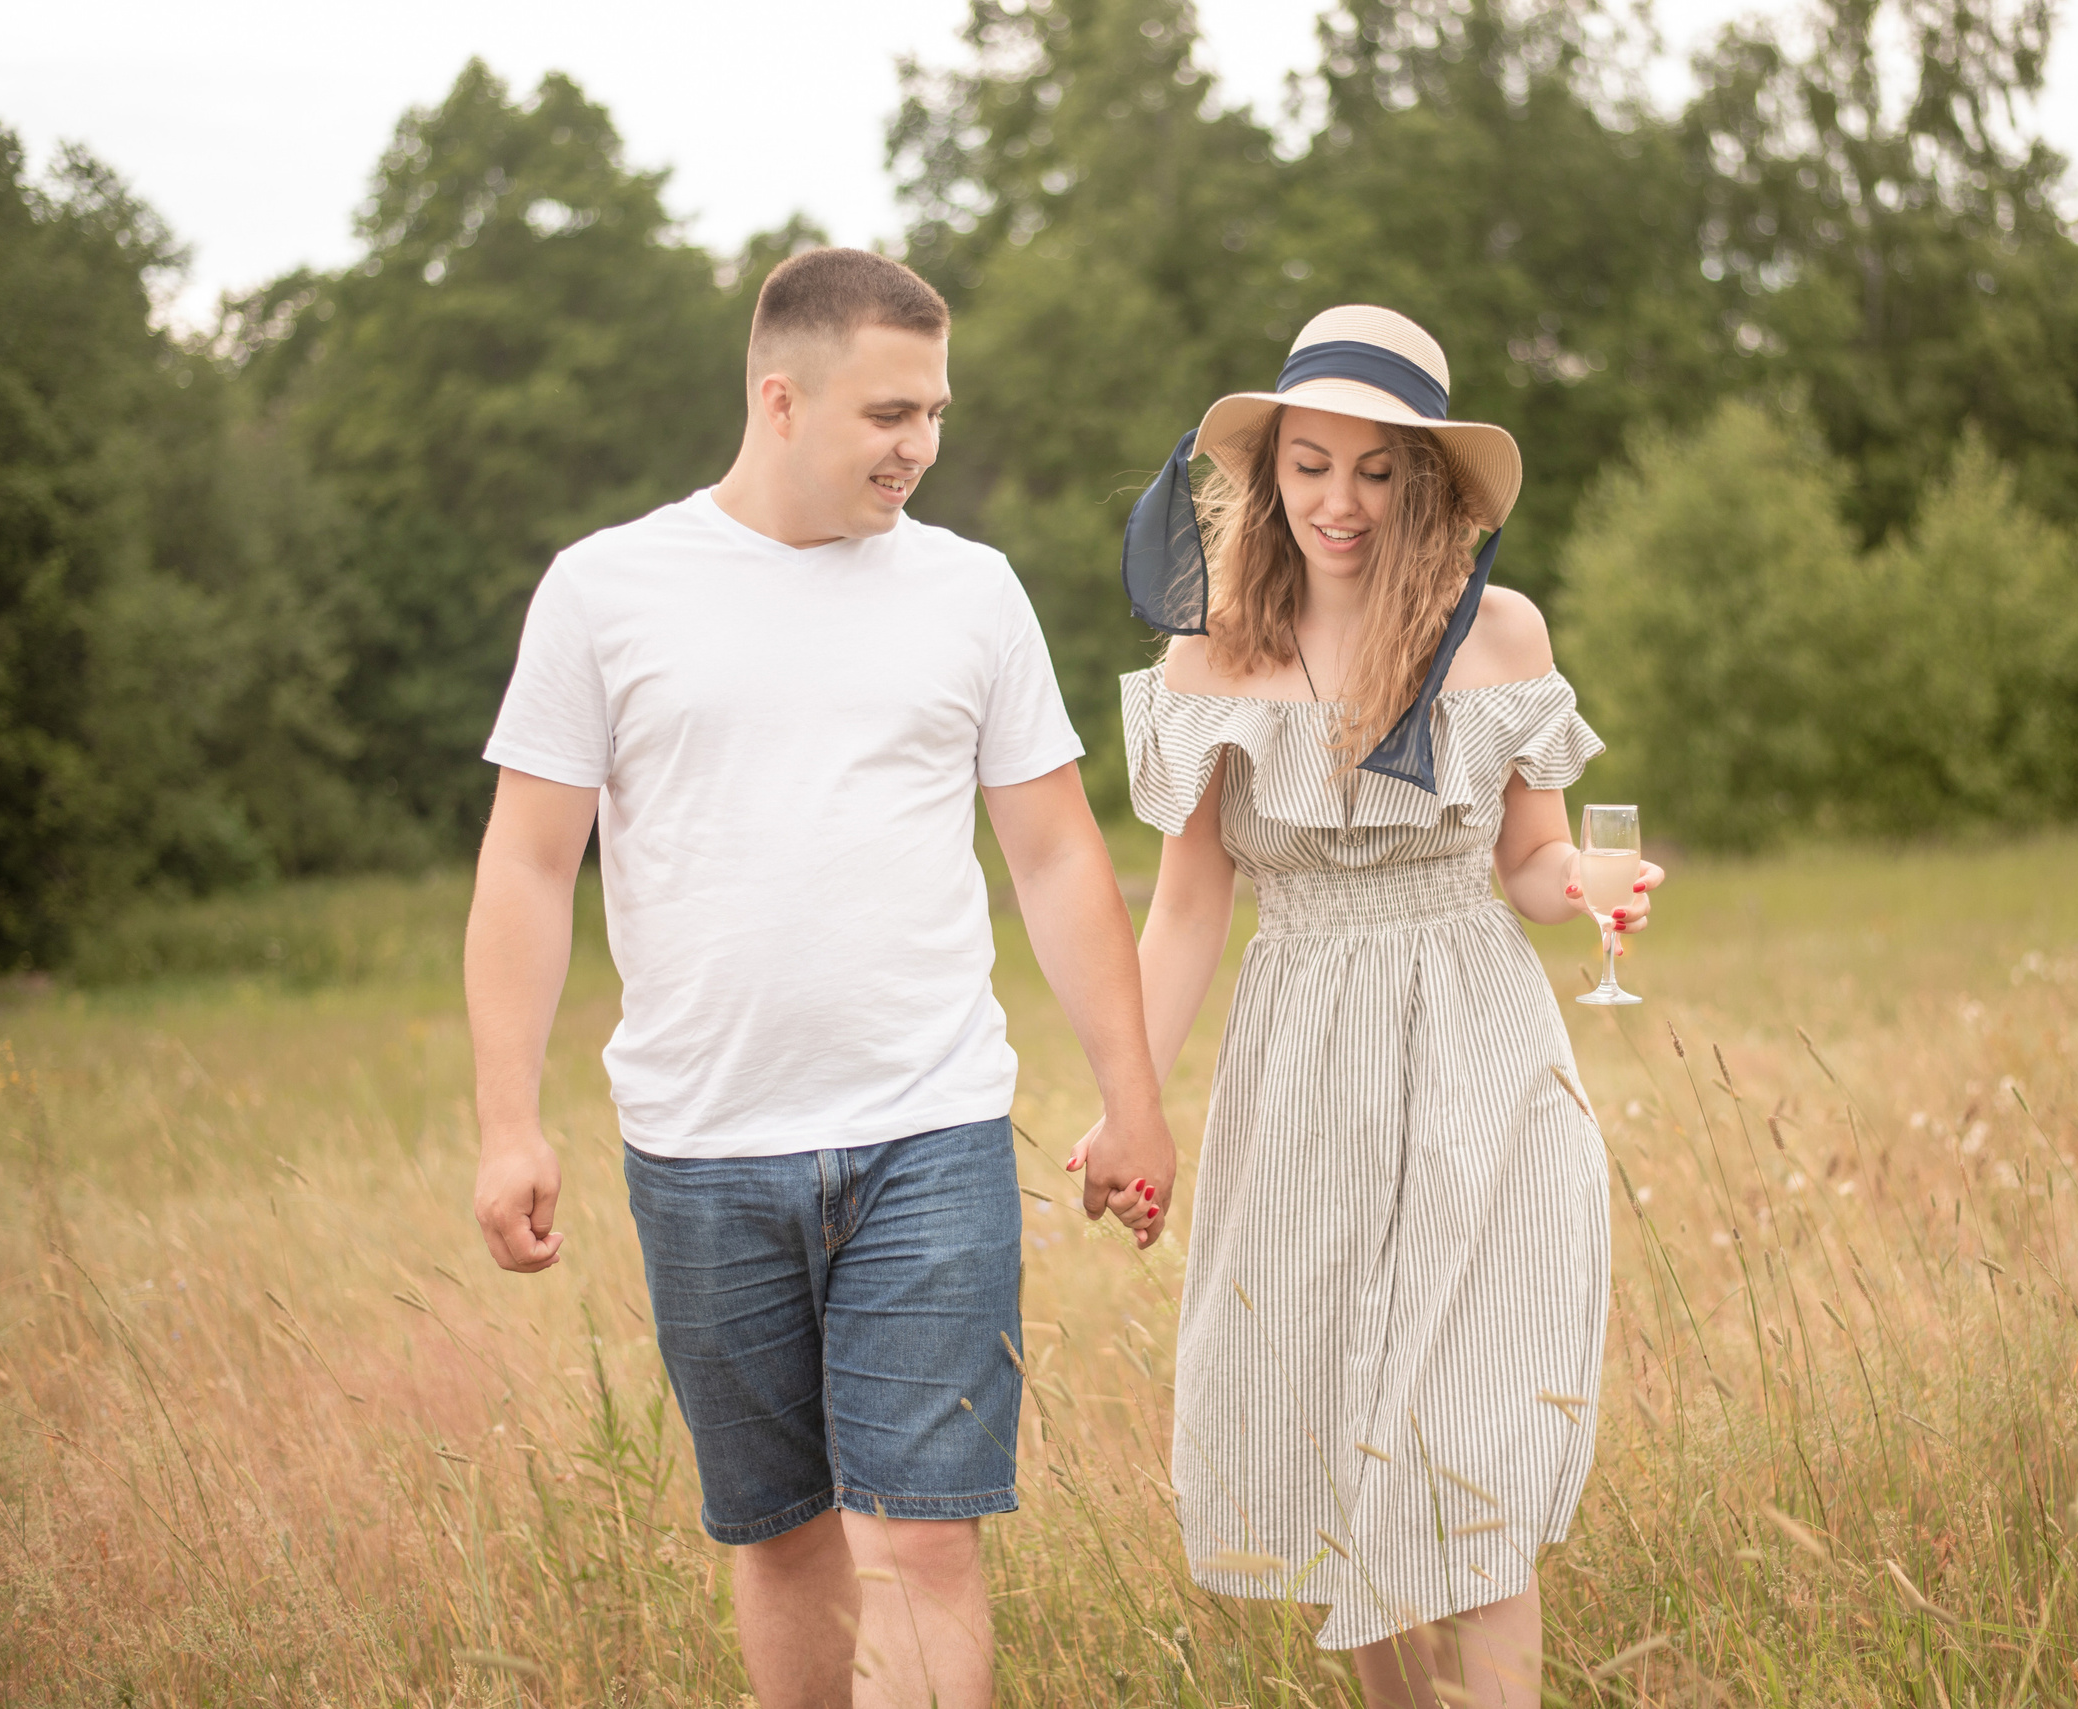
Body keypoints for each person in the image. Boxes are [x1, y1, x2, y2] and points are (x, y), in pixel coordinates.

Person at [463, 247, 1174, 1709]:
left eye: (935, 412)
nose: (920, 445)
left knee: (925, 1543)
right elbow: (530, 866)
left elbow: (1053, 855)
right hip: (702, 1149)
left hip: (932, 1133)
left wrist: (1133, 1097)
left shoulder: (970, 593)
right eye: (888, 413)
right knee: (784, 1542)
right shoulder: (606, 592)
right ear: (779, 399)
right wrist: (505, 1120)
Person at [1080, 305, 1664, 1707]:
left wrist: (1582, 871)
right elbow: (1189, 907)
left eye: (1376, 469)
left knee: (1466, 1442)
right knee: (1351, 1445)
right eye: (1310, 465)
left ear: (1427, 480)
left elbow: (1528, 859)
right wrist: (1127, 1101)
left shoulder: (1498, 634)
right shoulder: (1211, 658)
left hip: (1482, 1054)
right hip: (1306, 1078)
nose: (1340, 501)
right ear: (1269, 474)